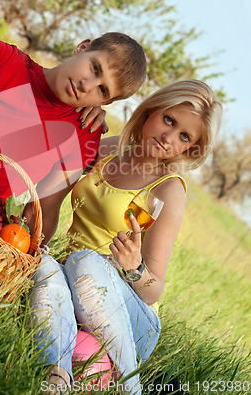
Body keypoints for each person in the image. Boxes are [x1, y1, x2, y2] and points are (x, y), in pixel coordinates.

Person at [29, 79, 222, 394]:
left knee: (85, 260)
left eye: (184, 136)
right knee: (44, 267)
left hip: (130, 317)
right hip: (74, 286)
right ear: (151, 112)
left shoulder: (167, 189)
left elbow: (153, 290)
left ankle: (131, 386)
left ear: (191, 147)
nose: (168, 136)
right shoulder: (106, 148)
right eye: (168, 120)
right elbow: (50, 193)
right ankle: (56, 379)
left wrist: (133, 266)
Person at [0, 27, 147, 241]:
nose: (87, 85)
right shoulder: (5, 61)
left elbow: (45, 208)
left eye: (102, 89)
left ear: (104, 102)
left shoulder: (84, 133)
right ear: (82, 47)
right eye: (94, 68)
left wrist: (32, 254)